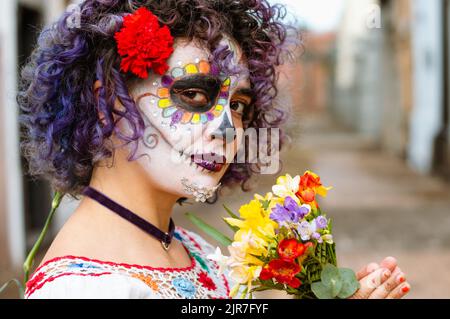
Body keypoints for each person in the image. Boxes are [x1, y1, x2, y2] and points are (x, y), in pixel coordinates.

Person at [19, 0, 410, 299]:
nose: (228, 130)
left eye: (238, 106)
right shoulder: (82, 291)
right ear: (108, 106)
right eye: (192, 94)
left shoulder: (193, 247)